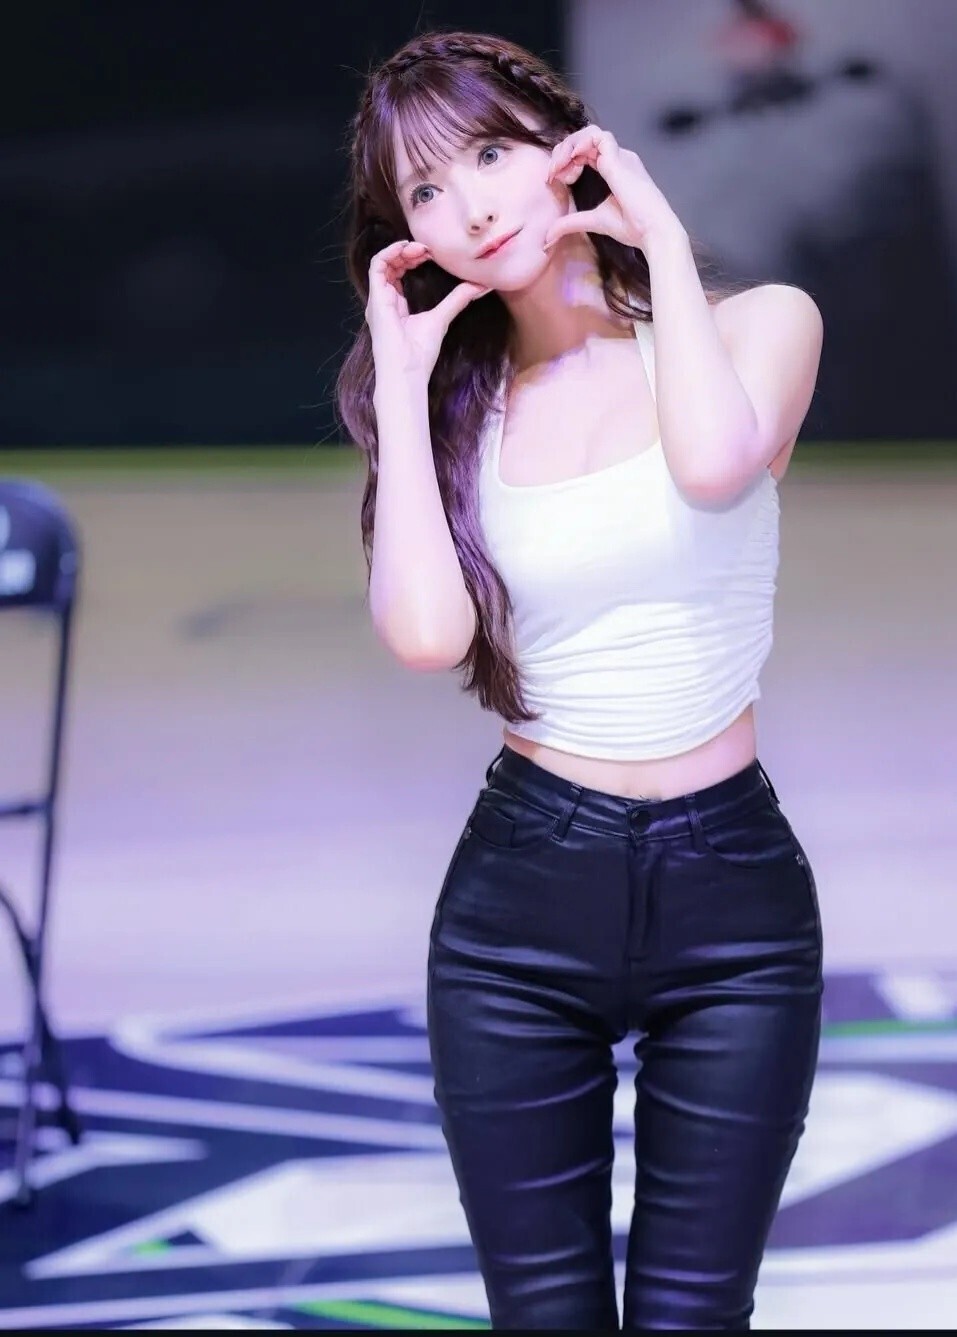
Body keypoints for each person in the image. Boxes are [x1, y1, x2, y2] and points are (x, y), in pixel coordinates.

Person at [336, 29, 824, 1332]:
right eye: (424, 189)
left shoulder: (759, 325)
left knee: (693, 1314)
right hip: (520, 908)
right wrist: (401, 384)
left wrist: (655, 240)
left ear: (568, 147)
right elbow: (426, 636)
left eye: (490, 154)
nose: (468, 205)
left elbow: (713, 465)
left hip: (733, 903)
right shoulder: (460, 413)